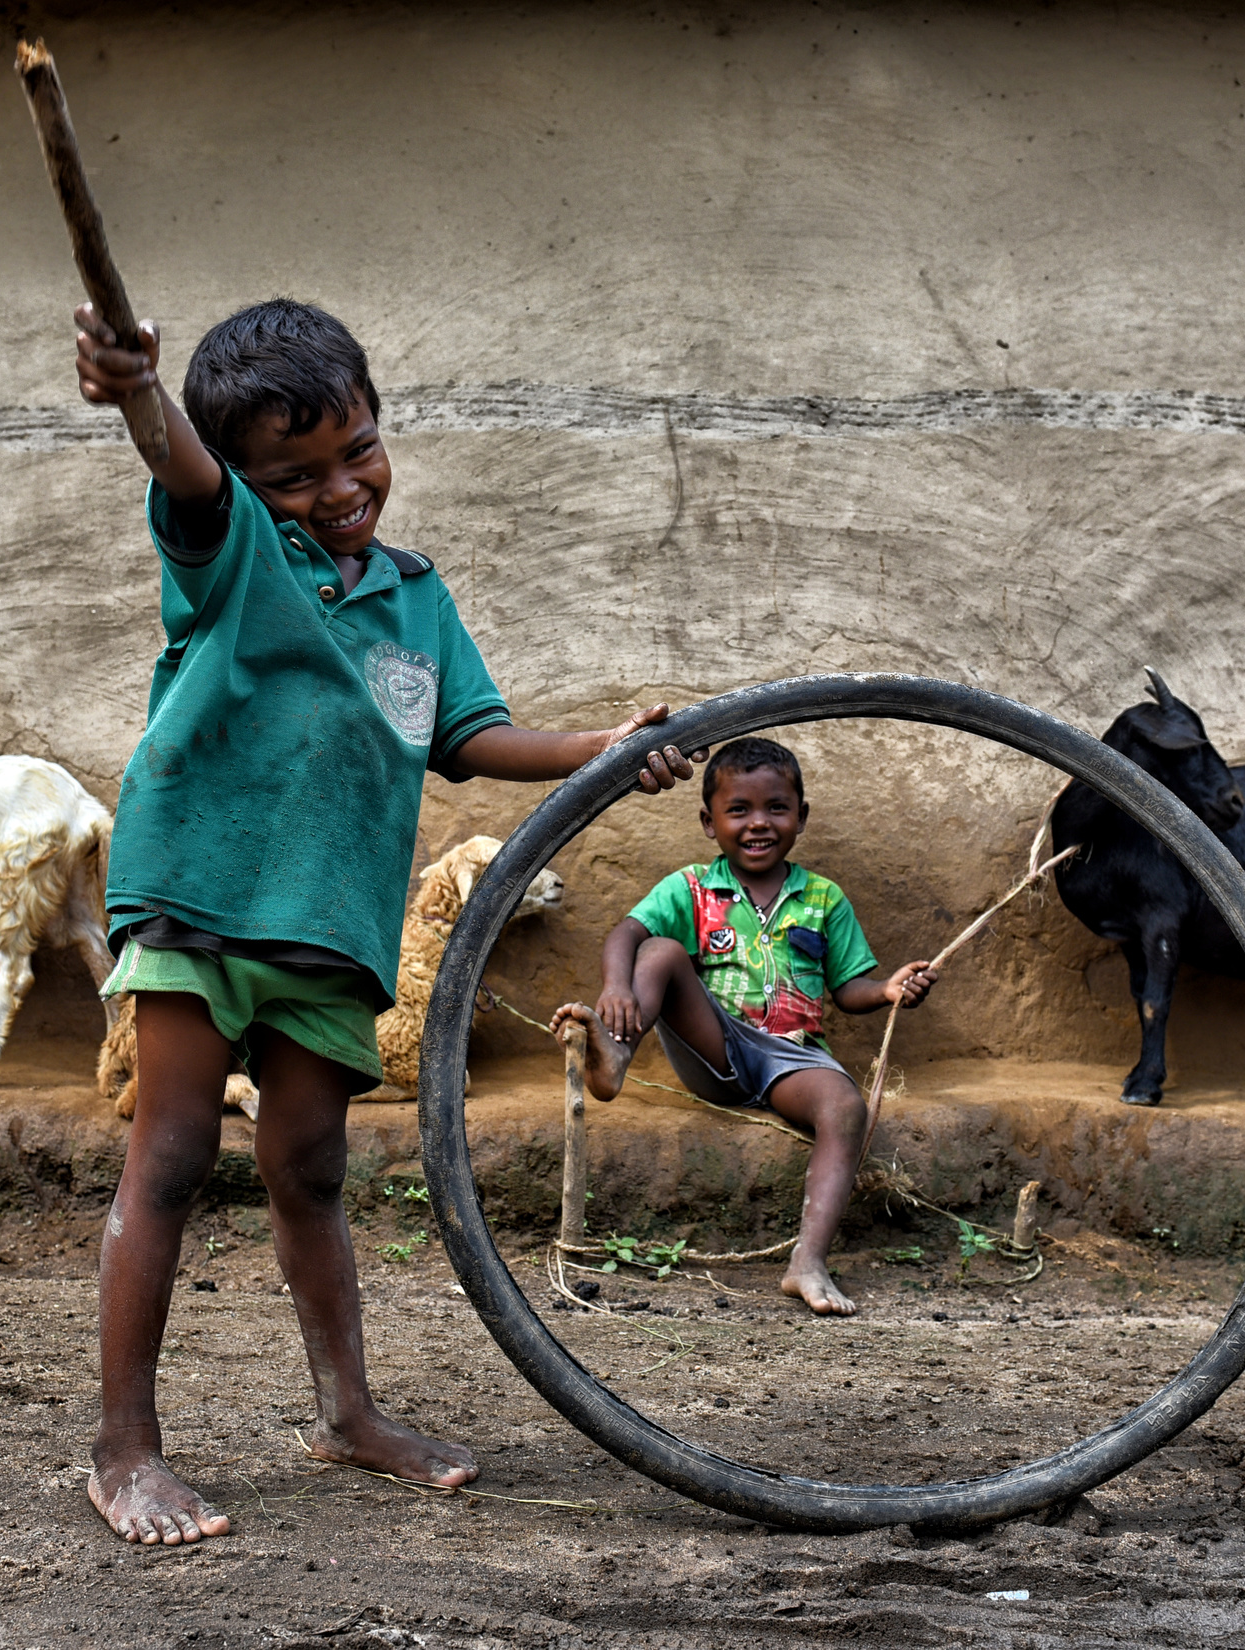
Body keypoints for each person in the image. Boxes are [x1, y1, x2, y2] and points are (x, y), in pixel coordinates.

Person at [72, 297, 699, 1546]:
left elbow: (468, 735)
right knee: (174, 1155)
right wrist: (139, 392)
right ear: (250, 486)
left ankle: (346, 1413)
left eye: (356, 449)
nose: (340, 488)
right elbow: (182, 470)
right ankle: (124, 1448)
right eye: (294, 475)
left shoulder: (415, 595)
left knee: (310, 1166)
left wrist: (600, 748)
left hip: (329, 922)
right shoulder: (233, 549)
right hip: (198, 899)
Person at [552, 737, 937, 1317]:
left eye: (776, 808)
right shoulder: (691, 888)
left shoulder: (824, 899)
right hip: (717, 1046)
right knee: (659, 950)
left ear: (801, 816)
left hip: (792, 1060)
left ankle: (808, 1261)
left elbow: (848, 989)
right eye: (739, 810)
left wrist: (885, 991)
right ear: (710, 823)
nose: (759, 823)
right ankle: (617, 1058)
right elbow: (625, 934)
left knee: (844, 1107)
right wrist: (615, 987)